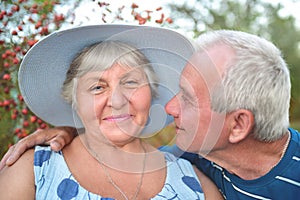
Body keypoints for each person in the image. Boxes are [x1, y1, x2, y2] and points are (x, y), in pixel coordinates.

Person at [2, 29, 300, 199]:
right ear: (73, 100)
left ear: (238, 127)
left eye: (131, 82)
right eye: (96, 87)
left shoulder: (195, 180)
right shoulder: (33, 170)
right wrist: (71, 130)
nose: (117, 100)